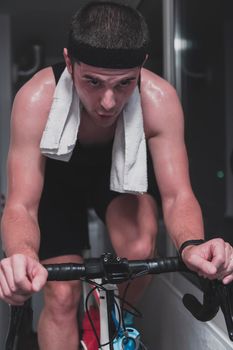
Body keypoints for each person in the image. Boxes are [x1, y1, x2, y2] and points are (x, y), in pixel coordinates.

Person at [1, 2, 233, 349]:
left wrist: (193, 245)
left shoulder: (159, 99)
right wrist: (20, 255)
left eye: (124, 84)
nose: (108, 102)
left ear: (140, 67)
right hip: (56, 184)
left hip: (118, 176)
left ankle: (104, 315)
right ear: (69, 62)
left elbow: (178, 196)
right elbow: (20, 205)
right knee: (62, 298)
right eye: (92, 82)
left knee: (139, 248)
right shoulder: (36, 99)